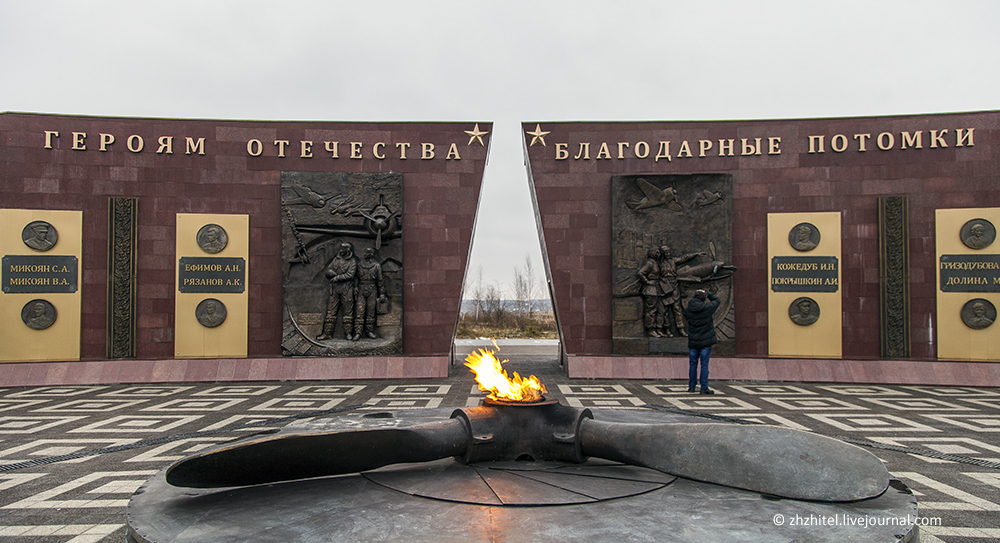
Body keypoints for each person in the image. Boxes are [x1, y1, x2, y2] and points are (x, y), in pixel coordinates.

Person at [317, 242, 358, 341]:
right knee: (331, 312)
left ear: (348, 250)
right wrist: (329, 272)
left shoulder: (352, 261)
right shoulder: (336, 260)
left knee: (348, 312)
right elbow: (328, 270)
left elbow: (350, 274)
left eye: (343, 248)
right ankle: (327, 333)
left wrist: (338, 278)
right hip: (334, 289)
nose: (341, 250)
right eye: (341, 248)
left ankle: (348, 333)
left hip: (346, 289)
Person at [683, 289, 721, 394]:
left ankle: (691, 387)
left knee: (693, 364)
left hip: (693, 342)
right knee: (704, 365)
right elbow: (717, 300)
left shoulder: (688, 311)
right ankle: (704, 387)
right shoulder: (707, 309)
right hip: (705, 342)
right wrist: (708, 293)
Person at [353, 247, 386, 340]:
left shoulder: (377, 266)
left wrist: (382, 293)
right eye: (365, 252)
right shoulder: (359, 265)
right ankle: (358, 333)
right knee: (359, 311)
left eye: (367, 252)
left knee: (370, 312)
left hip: (372, 289)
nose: (365, 254)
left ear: (371, 254)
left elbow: (380, 280)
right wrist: (355, 286)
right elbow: (356, 277)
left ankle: (369, 331)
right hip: (361, 288)